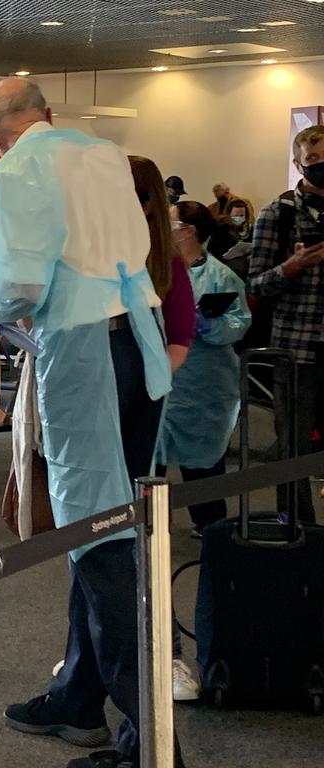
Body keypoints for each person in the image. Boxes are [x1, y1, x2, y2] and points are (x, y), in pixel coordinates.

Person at [0, 78, 175, 768]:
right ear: (49, 114)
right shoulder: (103, 152)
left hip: (82, 349)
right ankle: (79, 694)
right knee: (114, 527)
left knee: (99, 535)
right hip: (136, 342)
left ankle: (147, 740)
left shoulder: (20, 163)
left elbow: (23, 285)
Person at [159, 201, 251, 535]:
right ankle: (148, 523)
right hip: (158, 379)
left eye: (170, 224)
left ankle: (211, 525)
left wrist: (206, 326)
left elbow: (238, 323)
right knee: (147, 457)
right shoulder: (157, 270)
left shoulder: (219, 276)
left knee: (202, 460)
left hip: (203, 385)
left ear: (188, 231)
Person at [249, 124, 324, 524]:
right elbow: (256, 283)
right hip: (297, 350)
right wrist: (292, 267)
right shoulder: (277, 214)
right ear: (298, 164)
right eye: (313, 160)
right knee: (293, 446)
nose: (321, 166)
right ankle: (298, 530)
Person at [130, 155, 196, 373]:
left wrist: (151, 379)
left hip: (139, 378)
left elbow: (178, 337)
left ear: (146, 205)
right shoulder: (88, 250)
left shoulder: (166, 261)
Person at [220, 198, 255, 280]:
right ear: (229, 215)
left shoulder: (251, 229)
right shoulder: (221, 230)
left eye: (242, 215)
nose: (239, 218)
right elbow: (215, 250)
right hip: (228, 263)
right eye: (236, 216)